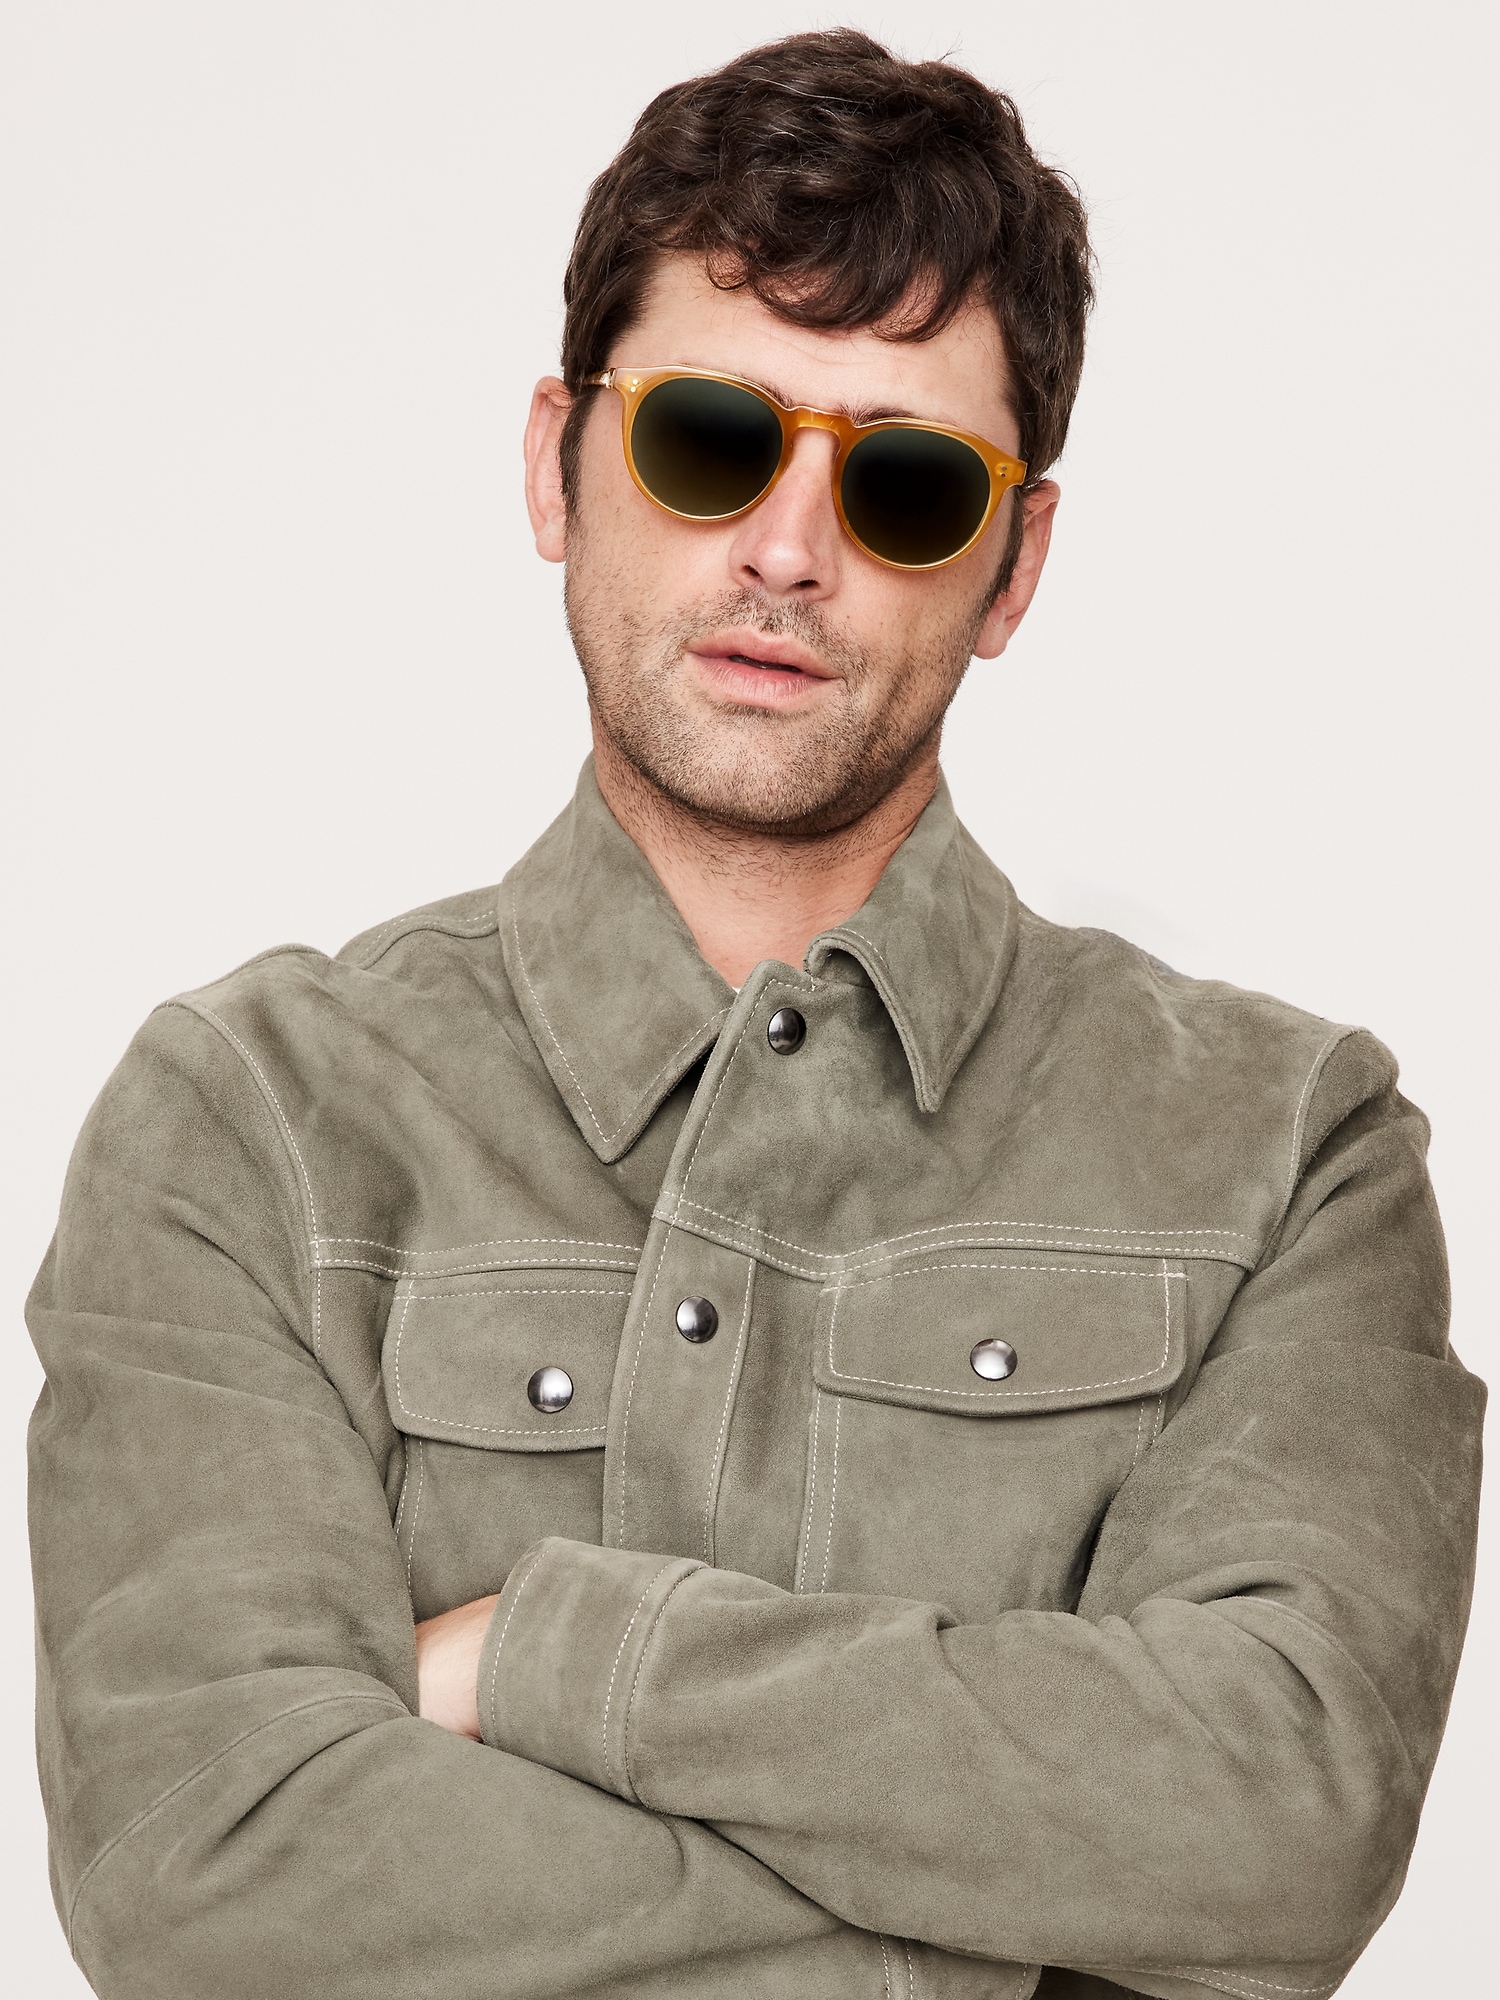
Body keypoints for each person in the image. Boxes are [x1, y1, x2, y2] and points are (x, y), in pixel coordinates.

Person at [27, 29, 1484, 2000]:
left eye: (905, 483)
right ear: (557, 463)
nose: (788, 550)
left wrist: (552, 1658)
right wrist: (1000, 1920)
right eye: (710, 440)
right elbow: (199, 1868)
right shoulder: (249, 1122)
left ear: (1014, 566)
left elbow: (1282, 1830)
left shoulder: (1288, 1150)